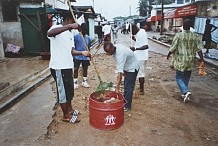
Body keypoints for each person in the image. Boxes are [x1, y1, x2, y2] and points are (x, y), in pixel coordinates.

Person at [47, 12, 90, 123]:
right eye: (72, 20)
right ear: (67, 19)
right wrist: (69, 26)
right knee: (63, 92)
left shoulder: (70, 34)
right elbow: (49, 33)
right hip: (58, 67)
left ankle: (70, 110)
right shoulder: (56, 28)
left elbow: (71, 51)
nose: (74, 23)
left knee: (69, 90)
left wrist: (82, 53)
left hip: (67, 66)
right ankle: (66, 116)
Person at [166, 19, 204, 103]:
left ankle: (185, 91)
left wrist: (168, 55)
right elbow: (199, 49)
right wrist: (202, 59)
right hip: (190, 60)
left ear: (183, 25)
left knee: (179, 77)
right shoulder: (195, 36)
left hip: (181, 60)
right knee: (186, 76)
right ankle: (184, 93)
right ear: (190, 26)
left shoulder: (179, 35)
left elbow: (173, 47)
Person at [103, 42, 140, 112]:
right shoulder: (115, 48)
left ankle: (127, 106)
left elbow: (119, 74)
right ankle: (125, 101)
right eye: (106, 52)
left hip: (133, 67)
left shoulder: (120, 54)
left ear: (112, 49)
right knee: (126, 85)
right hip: (128, 66)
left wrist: (117, 87)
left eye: (108, 52)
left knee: (129, 87)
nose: (107, 54)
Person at [130, 23, 149, 95]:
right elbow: (140, 42)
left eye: (132, 32)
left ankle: (141, 90)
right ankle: (141, 88)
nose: (132, 33)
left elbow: (146, 46)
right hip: (141, 56)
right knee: (140, 73)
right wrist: (134, 39)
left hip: (141, 57)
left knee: (141, 74)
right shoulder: (141, 32)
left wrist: (135, 49)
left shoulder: (141, 33)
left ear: (134, 29)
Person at [73, 23, 91, 89]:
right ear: (80, 29)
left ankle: (84, 81)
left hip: (85, 57)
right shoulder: (76, 37)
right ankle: (75, 82)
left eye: (85, 29)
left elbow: (88, 48)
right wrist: (73, 56)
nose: (84, 31)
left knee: (85, 69)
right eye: (83, 29)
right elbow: (73, 47)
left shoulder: (88, 38)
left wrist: (89, 56)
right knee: (75, 69)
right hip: (77, 56)